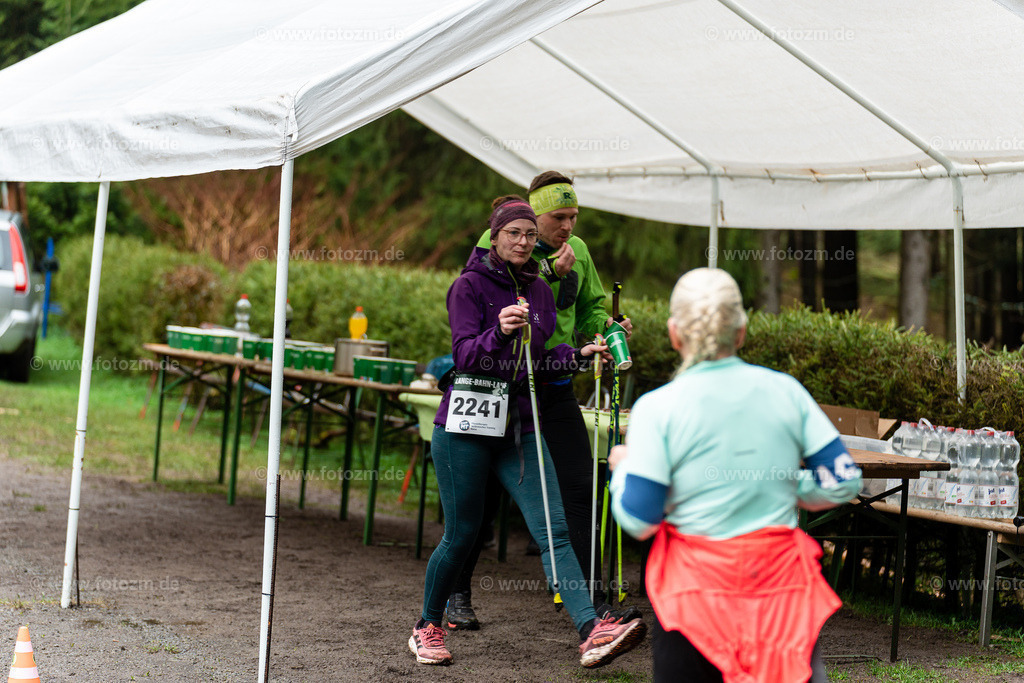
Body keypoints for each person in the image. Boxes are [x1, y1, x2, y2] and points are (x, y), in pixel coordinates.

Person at [409, 195, 647, 668]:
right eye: (514, 233)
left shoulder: (539, 292)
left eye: (529, 235)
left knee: (554, 530)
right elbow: (465, 358)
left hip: (519, 426)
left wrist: (577, 356)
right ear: (495, 238)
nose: (523, 241)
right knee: (462, 533)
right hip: (466, 428)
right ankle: (427, 627)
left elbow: (536, 362)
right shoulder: (469, 286)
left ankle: (591, 630)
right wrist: (497, 332)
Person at [609, 267, 863, 683]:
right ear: (742, 331)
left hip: (693, 604)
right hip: (780, 596)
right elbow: (844, 481)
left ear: (675, 334)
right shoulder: (786, 392)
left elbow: (640, 519)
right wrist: (784, 483)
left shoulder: (657, 407)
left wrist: (623, 470)